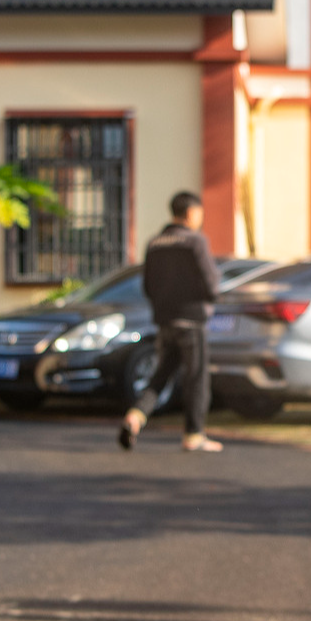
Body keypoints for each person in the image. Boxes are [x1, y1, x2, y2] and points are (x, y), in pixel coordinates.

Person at [121, 191, 223, 452]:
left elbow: (148, 285)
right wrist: (208, 299)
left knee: (161, 374)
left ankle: (135, 416)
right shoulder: (195, 242)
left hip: (164, 321)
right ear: (191, 213)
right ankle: (194, 435)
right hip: (191, 321)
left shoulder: (154, 242)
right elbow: (212, 284)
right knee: (196, 378)